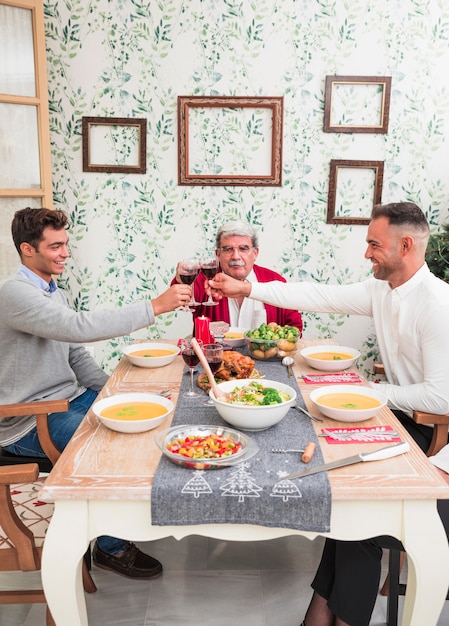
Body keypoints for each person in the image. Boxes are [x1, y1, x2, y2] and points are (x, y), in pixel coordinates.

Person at [208, 201, 449, 626]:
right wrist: (249, 289)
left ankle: (326, 619)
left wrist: (370, 391)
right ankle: (321, 617)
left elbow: (442, 398)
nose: (367, 253)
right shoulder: (383, 290)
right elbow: (318, 295)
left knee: (360, 515)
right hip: (403, 423)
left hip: (437, 440)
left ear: (406, 245)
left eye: (374, 244)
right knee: (344, 498)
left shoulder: (437, 304)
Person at [0, 207, 192, 580]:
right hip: (29, 417)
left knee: (156, 415)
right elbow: (78, 328)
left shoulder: (50, 290)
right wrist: (155, 306)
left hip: (66, 400)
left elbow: (73, 352)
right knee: (103, 449)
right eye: (55, 246)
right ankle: (111, 546)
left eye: (65, 245)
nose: (65, 254)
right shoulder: (15, 294)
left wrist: (117, 390)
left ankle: (133, 517)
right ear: (27, 249)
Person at [172, 220, 303, 333]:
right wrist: (179, 279)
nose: (235, 256)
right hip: (214, 360)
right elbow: (180, 300)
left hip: (265, 359)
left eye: (243, 249)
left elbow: (294, 328)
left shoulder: (275, 281)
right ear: (218, 254)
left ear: (255, 253)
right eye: (228, 249)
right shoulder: (204, 280)